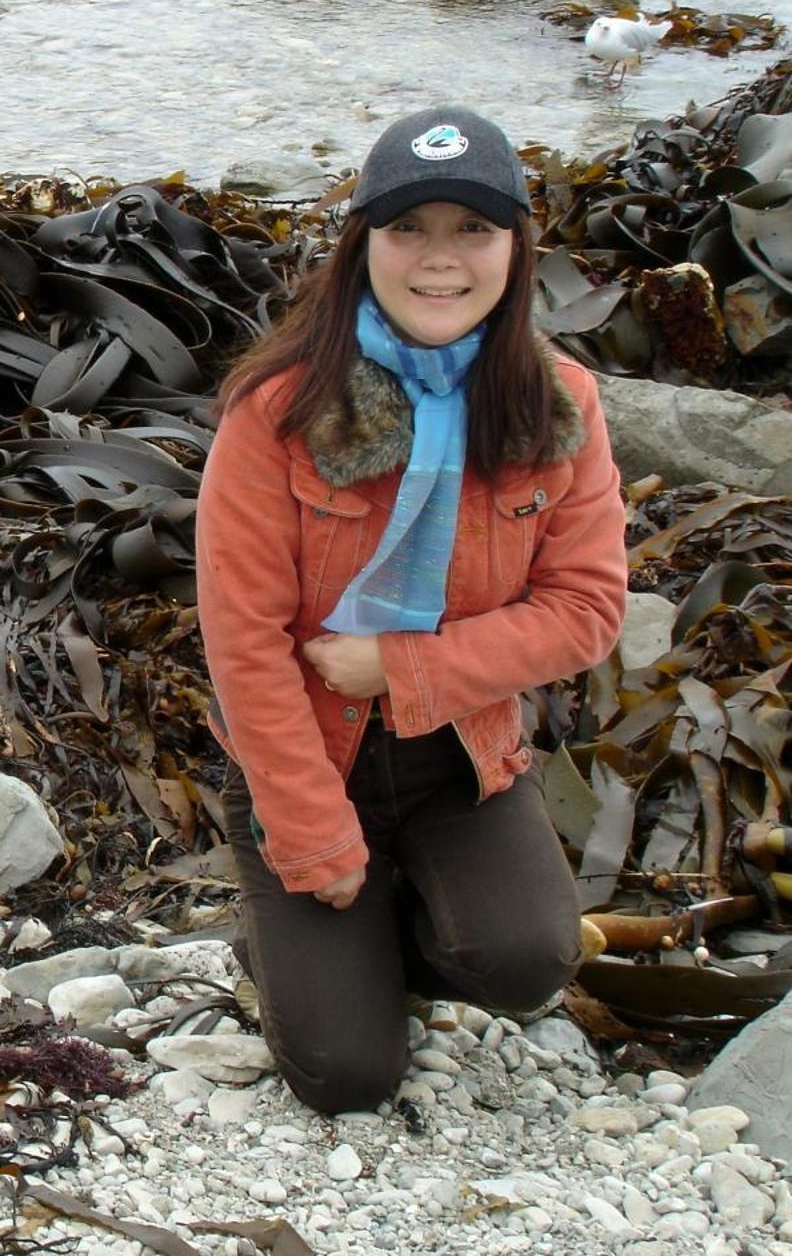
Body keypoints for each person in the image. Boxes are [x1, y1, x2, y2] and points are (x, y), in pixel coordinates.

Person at [194, 106, 627, 1113]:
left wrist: (400, 665)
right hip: (304, 749)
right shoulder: (275, 410)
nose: (439, 260)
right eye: (407, 230)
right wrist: (309, 836)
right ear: (362, 245)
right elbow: (242, 642)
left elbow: (586, 609)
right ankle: (304, 936)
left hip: (460, 756)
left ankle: (371, 931)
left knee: (524, 964)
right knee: (343, 1076)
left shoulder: (559, 403)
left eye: (470, 229)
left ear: (515, 250)